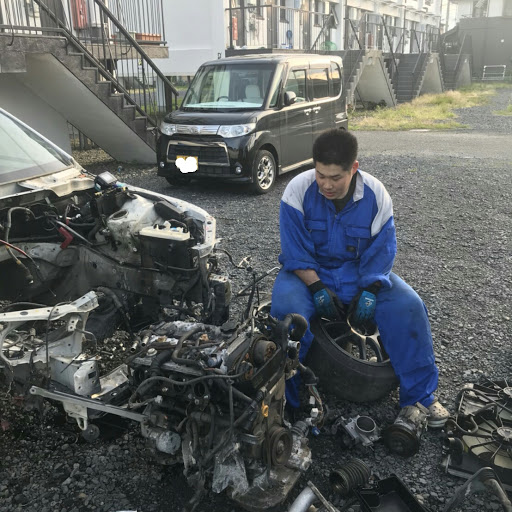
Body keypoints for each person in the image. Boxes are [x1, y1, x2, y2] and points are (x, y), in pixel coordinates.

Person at [270, 128, 449, 428]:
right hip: (308, 272)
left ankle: (420, 396)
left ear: (354, 168)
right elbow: (294, 252)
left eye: (335, 177)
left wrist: (370, 289)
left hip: (360, 272)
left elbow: (382, 252)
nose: (326, 184)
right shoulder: (296, 191)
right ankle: (286, 400)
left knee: (410, 306)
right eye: (320, 175)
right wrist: (316, 287)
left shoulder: (377, 196)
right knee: (286, 316)